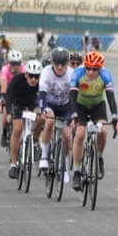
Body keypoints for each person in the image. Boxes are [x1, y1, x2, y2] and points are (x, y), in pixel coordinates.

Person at [69, 51, 118, 190]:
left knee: (103, 131)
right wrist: (73, 114)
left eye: (95, 69)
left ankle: (99, 157)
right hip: (80, 106)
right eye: (88, 68)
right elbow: (72, 96)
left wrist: (114, 115)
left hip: (98, 106)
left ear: (100, 68)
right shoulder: (78, 73)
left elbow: (110, 97)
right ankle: (77, 171)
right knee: (79, 135)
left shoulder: (105, 75)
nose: (91, 72)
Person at [37, 48, 76, 178]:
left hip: (66, 106)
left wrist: (75, 114)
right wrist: (43, 110)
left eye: (63, 64)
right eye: (56, 64)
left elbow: (75, 96)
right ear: (51, 62)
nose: (59, 67)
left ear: (67, 63)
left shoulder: (72, 73)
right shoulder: (46, 72)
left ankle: (64, 162)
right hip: (50, 104)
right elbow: (42, 95)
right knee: (49, 122)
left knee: (66, 134)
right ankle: (44, 156)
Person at [6, 60, 43, 179]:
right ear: (26, 74)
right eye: (31, 76)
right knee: (17, 129)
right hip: (17, 102)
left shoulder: (41, 83)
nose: (33, 79)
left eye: (36, 76)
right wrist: (9, 112)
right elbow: (9, 97)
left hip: (32, 102)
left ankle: (36, 141)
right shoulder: (17, 80)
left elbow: (42, 99)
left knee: (40, 118)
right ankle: (13, 163)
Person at [0, 49, 25, 147]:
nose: (16, 66)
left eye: (18, 64)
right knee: (6, 112)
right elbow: (3, 84)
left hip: (19, 92)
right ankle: (4, 133)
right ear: (9, 63)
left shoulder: (23, 69)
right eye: (13, 64)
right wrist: (3, 99)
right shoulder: (5, 69)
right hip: (8, 91)